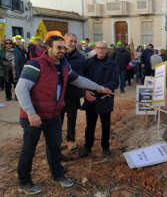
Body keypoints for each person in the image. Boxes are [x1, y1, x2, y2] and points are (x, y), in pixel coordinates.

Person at [15, 35, 112, 195]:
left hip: (53, 116)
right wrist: (31, 113)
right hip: (33, 118)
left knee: (54, 148)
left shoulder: (64, 66)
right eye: (58, 47)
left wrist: (99, 88)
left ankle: (58, 175)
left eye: (63, 48)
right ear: (49, 48)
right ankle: (24, 182)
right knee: (28, 150)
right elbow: (20, 89)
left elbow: (79, 80)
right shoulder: (35, 64)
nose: (62, 50)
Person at [79, 41, 118, 157]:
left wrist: (106, 88)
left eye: (103, 48)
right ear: (95, 49)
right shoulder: (89, 62)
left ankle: (105, 147)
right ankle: (88, 147)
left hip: (105, 98)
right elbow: (82, 79)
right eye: (98, 48)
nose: (101, 50)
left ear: (107, 50)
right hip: (91, 98)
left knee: (106, 125)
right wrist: (85, 92)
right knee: (90, 125)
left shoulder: (113, 63)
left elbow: (115, 81)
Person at [60, 33, 86, 151]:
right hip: (58, 95)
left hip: (72, 94)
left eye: (75, 42)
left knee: (72, 120)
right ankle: (56, 142)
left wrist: (82, 92)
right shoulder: (57, 56)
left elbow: (83, 76)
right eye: (71, 41)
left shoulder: (80, 58)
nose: (73, 44)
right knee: (57, 121)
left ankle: (71, 140)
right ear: (64, 41)